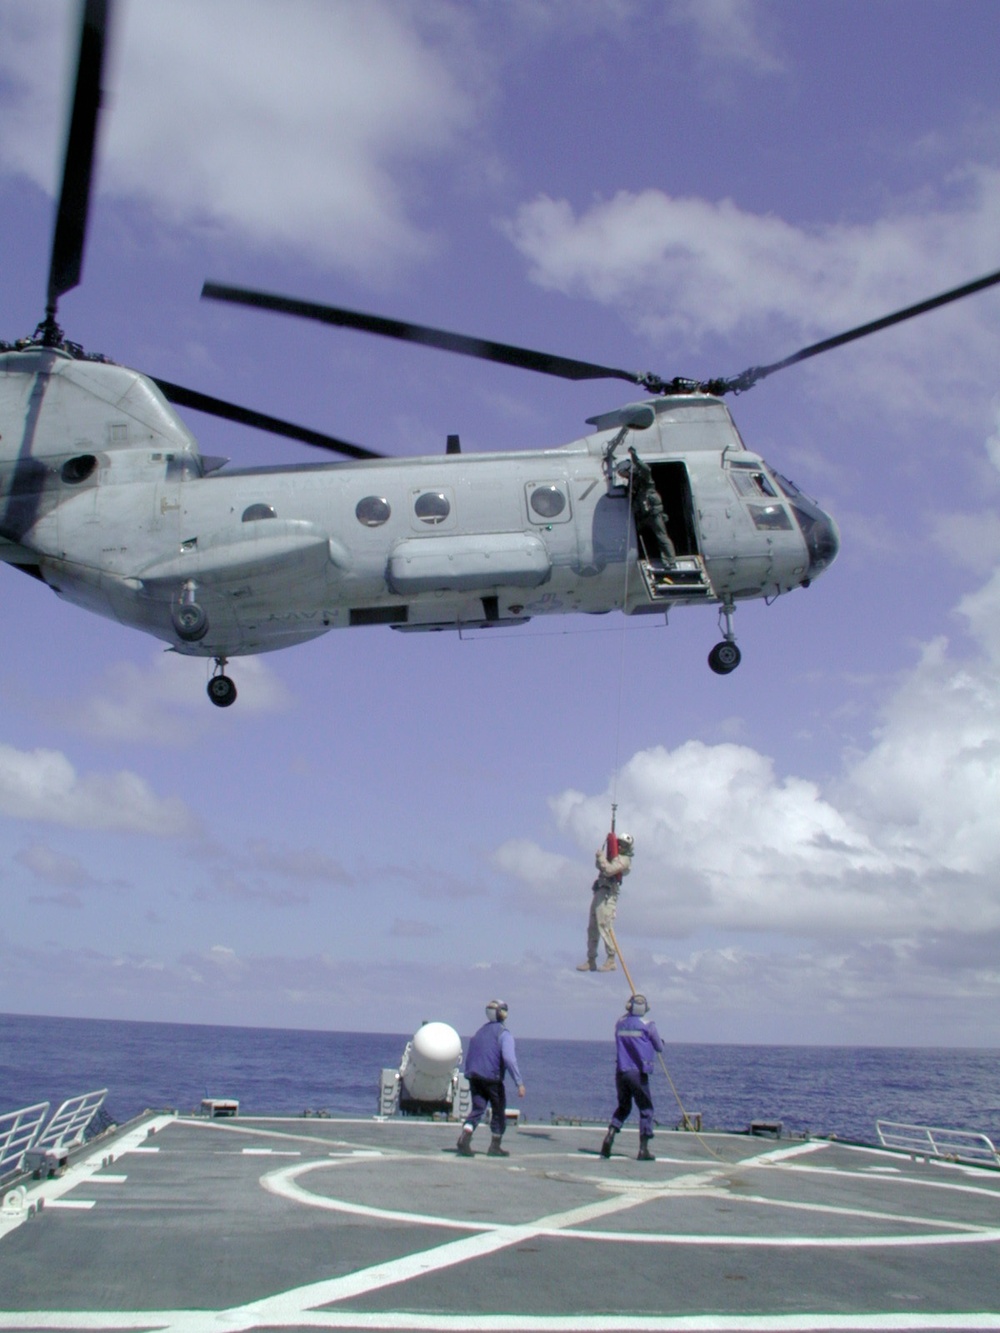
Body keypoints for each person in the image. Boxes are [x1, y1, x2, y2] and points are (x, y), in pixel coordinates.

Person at [456, 999, 526, 1158]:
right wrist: (519, 1083)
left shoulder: (479, 1032)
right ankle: (495, 1146)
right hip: (492, 1079)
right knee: (498, 1111)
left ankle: (465, 1136)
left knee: (477, 1109)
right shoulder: (503, 1033)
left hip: (474, 1077)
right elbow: (509, 1059)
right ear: (501, 1013)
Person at [600, 993, 664, 1161]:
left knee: (624, 1107)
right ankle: (643, 1150)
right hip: (638, 1073)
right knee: (645, 1109)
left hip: (621, 1072)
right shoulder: (648, 1025)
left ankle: (610, 1135)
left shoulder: (620, 1024)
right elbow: (659, 1046)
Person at [577, 833, 633, 972]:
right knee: (593, 927)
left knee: (605, 924)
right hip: (600, 890)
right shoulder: (613, 856)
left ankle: (610, 959)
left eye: (623, 845)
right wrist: (603, 857)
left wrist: (602, 858)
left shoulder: (624, 860)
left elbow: (608, 870)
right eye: (619, 843)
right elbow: (601, 866)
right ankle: (591, 959)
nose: (620, 846)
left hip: (609, 894)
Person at [622, 446, 676, 564]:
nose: (625, 476)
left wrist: (634, 457)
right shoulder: (633, 485)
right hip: (645, 516)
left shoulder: (645, 479)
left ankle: (671, 559)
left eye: (625, 473)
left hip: (654, 514)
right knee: (635, 531)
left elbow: (646, 469)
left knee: (662, 536)